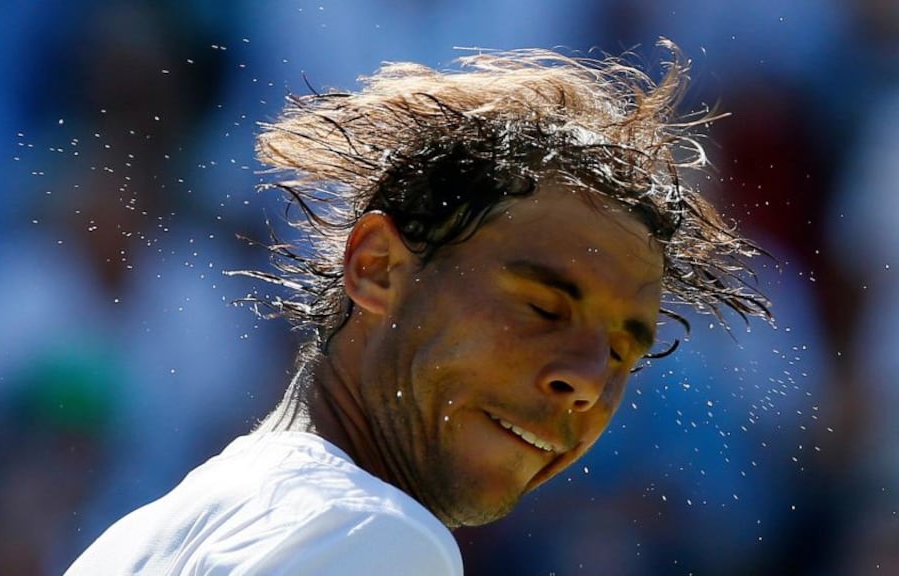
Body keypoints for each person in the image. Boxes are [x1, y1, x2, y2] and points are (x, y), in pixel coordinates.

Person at [65, 40, 770, 575]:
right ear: (376, 269)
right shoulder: (370, 536)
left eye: (622, 352)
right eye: (542, 307)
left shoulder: (140, 537)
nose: (587, 380)